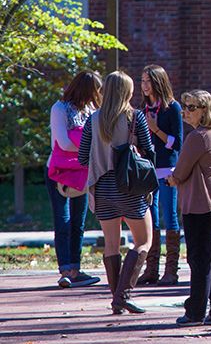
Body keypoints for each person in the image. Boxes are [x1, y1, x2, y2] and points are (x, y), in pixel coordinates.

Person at [78, 71, 155, 314]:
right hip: (129, 187)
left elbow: (82, 157)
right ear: (126, 92)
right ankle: (123, 295)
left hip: (102, 188)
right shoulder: (134, 117)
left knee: (111, 245)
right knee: (144, 241)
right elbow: (149, 151)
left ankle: (116, 300)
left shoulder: (93, 119)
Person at [166, 90, 211, 326]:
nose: (186, 111)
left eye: (192, 107)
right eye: (185, 106)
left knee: (199, 260)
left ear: (205, 110)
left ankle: (195, 312)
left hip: (200, 206)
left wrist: (171, 179)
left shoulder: (198, 137)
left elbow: (180, 172)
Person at [46, 70, 103, 289]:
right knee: (63, 220)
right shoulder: (60, 108)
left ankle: (76, 269)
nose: (96, 96)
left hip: (82, 171)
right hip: (59, 172)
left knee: (78, 222)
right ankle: (65, 269)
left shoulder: (91, 110)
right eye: (94, 91)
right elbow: (62, 142)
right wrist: (89, 145)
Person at [137, 65, 184, 287]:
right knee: (151, 217)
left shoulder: (172, 108)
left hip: (168, 170)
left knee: (170, 216)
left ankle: (171, 270)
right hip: (148, 171)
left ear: (159, 82)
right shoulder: (142, 109)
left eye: (149, 81)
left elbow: (177, 143)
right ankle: (151, 268)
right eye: (142, 81)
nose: (145, 86)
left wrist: (155, 130)